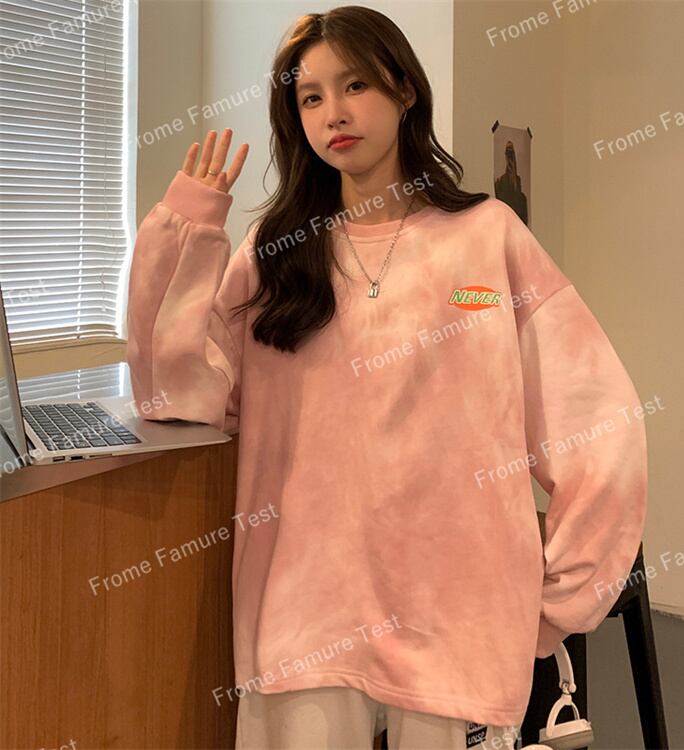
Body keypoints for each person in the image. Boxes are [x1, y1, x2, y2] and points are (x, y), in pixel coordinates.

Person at [125, 6, 648, 749]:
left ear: (404, 90)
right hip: (304, 610)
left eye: (355, 86)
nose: (333, 114)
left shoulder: (486, 237)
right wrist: (187, 230)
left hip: (456, 610)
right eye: (310, 97)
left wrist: (562, 593)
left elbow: (595, 418)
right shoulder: (275, 253)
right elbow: (177, 395)